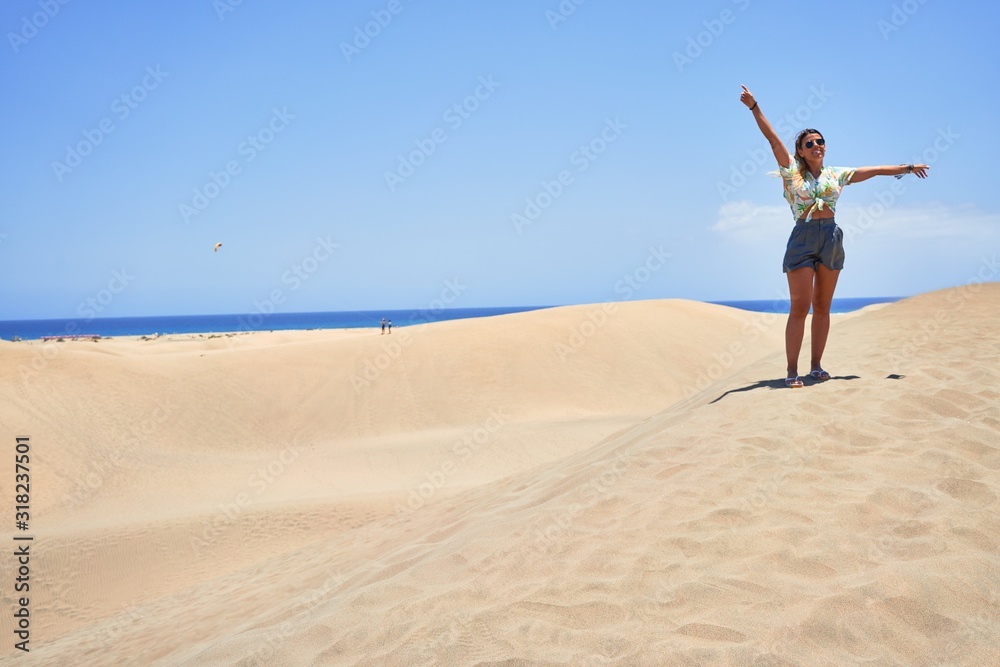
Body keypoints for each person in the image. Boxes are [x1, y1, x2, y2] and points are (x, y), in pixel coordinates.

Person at [739, 85, 929, 388]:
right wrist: (754, 107)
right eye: (810, 143)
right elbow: (773, 139)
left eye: (820, 141)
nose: (817, 145)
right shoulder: (791, 172)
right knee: (800, 307)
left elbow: (875, 170)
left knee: (823, 307)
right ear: (801, 150)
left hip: (830, 237)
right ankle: (791, 370)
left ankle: (816, 366)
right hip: (802, 238)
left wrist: (907, 167)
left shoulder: (836, 174)